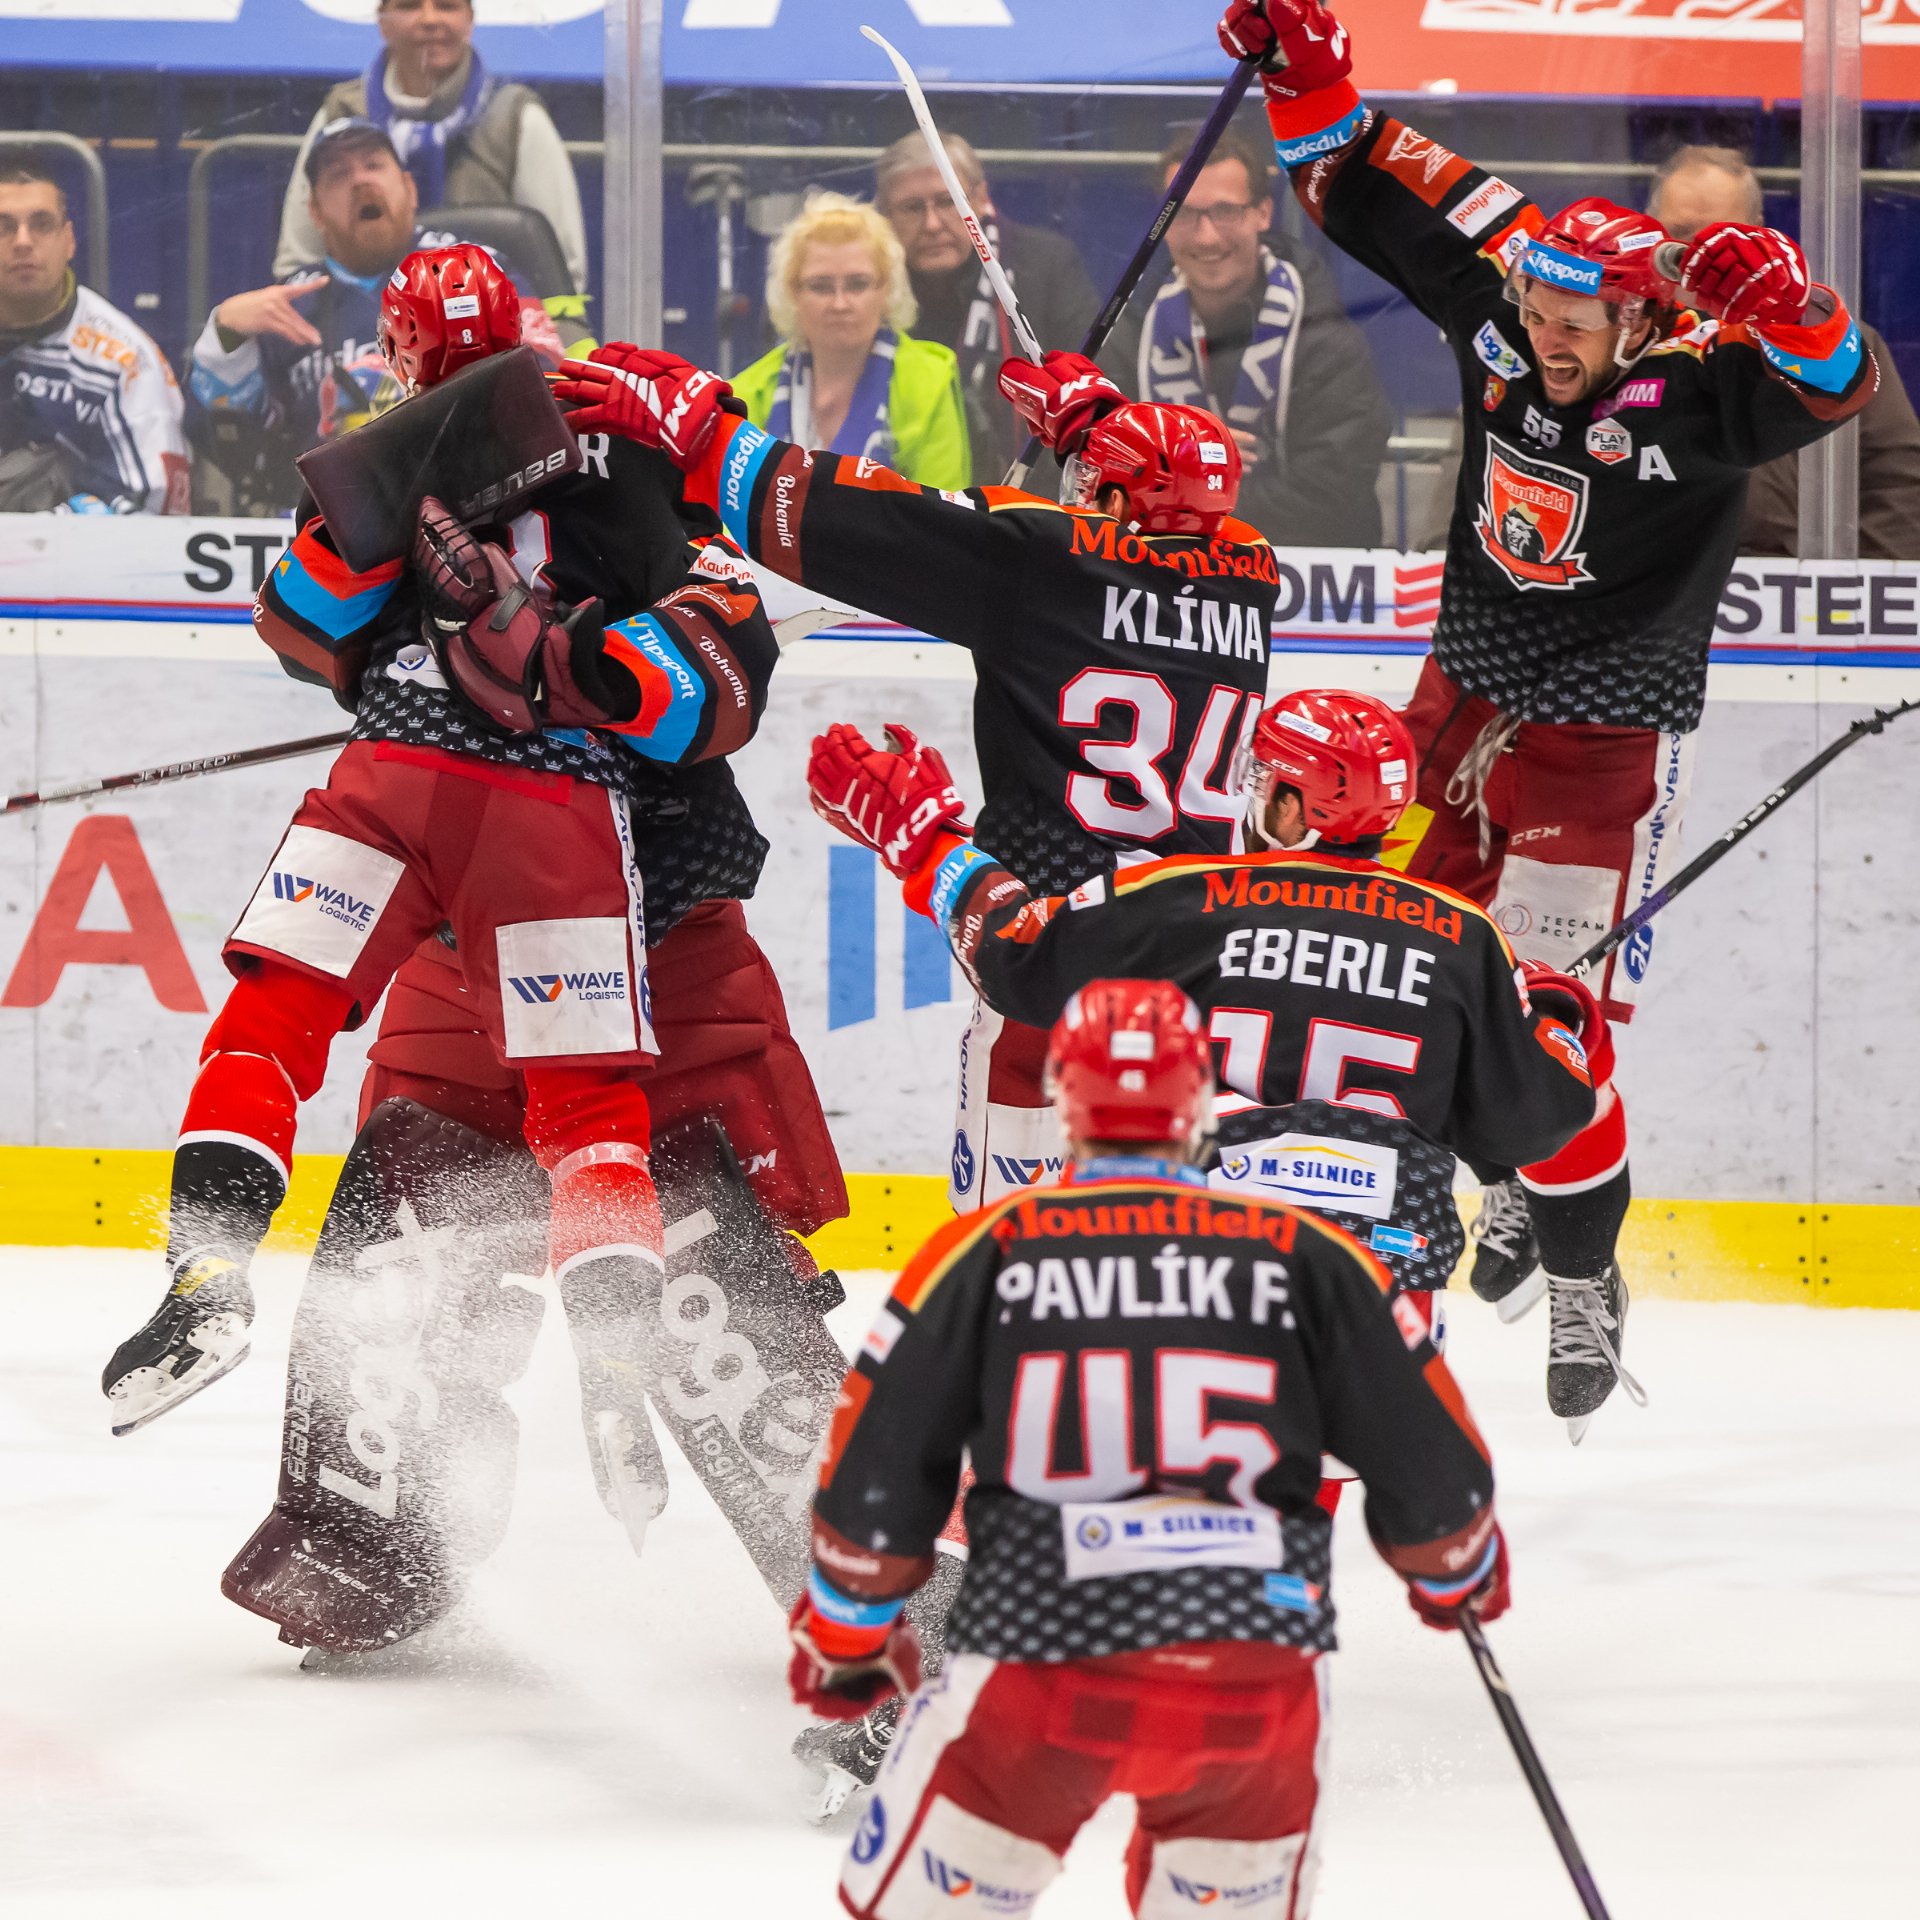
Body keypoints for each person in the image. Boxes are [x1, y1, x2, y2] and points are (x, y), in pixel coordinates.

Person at [1216, 0, 1876, 1302]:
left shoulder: (1701, 390)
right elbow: (1359, 182)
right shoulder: (1503, 313)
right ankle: (1406, 1186)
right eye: (1535, 302)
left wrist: (1798, 310)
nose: (1545, 333)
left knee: (1547, 1022)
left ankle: (1566, 1244)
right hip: (1455, 703)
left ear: (1643, 322)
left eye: (1577, 317)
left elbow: (1837, 382)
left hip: (1605, 741)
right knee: (1375, 944)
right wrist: (1307, 75)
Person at [101, 246, 781, 1476]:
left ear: (394, 352)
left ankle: (209, 1272)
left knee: (272, 1017)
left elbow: (297, 625)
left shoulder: (374, 459)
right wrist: (571, 656)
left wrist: (388, 579)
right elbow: (715, 653)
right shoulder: (615, 428)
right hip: (563, 809)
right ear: (524, 323)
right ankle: (618, 1370)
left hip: (393, 772)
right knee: (589, 1110)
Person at [786, 978, 1508, 1919]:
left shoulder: (989, 1249)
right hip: (1254, 1678)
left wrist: (847, 1633)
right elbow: (1441, 1480)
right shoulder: (1320, 1258)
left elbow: (876, 1473)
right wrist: (1456, 1576)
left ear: (1063, 1103)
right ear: (1202, 1103)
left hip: (1040, 1667)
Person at [549, 338, 1280, 1224]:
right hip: (1202, 958)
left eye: (1094, 485)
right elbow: (1156, 532)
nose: (1077, 494)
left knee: (1011, 1246)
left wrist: (709, 438)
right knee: (1172, 1230)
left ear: (1118, 501)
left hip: (1047, 949)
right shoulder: (1254, 572)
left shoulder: (1041, 557)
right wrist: (1101, 426)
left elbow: (857, 517)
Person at [806, 689, 1640, 1442]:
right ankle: (1580, 1278)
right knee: (1322, 1481)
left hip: (1199, 1289)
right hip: (1384, 1326)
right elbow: (1537, 1118)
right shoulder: (1461, 936)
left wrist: (928, 844)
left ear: (1292, 807)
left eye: (1265, 781)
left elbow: (1017, 955)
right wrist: (1559, 1017)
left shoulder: (1189, 896)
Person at [188, 117, 574, 515]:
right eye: (338, 174)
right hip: (329, 524)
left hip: (474, 508)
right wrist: (225, 337)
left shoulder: (477, 271)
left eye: (373, 165)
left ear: (409, 189)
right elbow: (239, 452)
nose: (360, 181)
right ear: (315, 212)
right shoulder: (285, 307)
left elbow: (548, 392)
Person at [1102, 127, 1390, 547]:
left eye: (1225, 212)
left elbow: (1333, 495)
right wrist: (1181, 462)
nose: (1206, 236)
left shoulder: (1325, 333)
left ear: (1263, 213)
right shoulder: (1130, 332)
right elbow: (1094, 475)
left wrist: (1185, 486)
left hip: (1304, 572)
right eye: (1184, 214)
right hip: (1164, 569)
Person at [1647, 145, 1920, 560]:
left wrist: (1838, 586)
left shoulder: (1834, 348)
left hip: (1789, 577)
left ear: (1756, 230)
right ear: (1654, 234)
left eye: (1718, 237)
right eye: (1681, 232)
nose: (1698, 257)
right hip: (1656, 579)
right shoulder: (1618, 340)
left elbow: (1897, 481)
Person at [275, 0, 588, 293]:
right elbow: (298, 264)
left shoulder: (515, 116)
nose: (429, 19)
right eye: (409, 5)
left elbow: (561, 276)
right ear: (382, 22)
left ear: (469, 20)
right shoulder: (341, 113)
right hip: (359, 325)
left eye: (446, 6)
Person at [876, 130, 1099, 479]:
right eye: (912, 208)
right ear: (885, 216)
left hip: (1031, 493)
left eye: (948, 201)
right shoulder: (864, 286)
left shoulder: (1046, 265)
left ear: (980, 199)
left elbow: (1094, 397)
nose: (932, 224)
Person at [729, 192, 971, 492]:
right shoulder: (745, 394)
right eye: (821, 286)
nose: (840, 303)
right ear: (793, 293)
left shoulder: (929, 381)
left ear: (887, 290)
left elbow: (943, 512)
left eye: (858, 284)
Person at [0, 156, 188, 514]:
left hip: (68, 547)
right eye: (3, 227)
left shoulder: (124, 359)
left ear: (69, 241)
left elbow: (153, 512)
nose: (22, 241)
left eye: (41, 225)